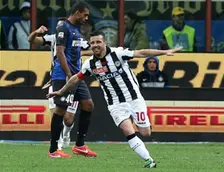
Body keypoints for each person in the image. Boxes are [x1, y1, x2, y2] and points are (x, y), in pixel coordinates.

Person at [47, 30, 182, 167]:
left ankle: (142, 133)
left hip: (134, 99)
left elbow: (141, 52)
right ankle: (149, 161)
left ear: (105, 42)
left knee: (145, 132)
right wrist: (60, 91)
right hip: (115, 103)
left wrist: (164, 52)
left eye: (98, 42)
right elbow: (76, 78)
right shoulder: (89, 64)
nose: (95, 45)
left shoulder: (118, 53)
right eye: (92, 43)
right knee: (127, 130)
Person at [48, 1, 97, 158]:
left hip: (76, 76)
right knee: (61, 110)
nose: (86, 18)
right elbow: (60, 52)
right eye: (85, 14)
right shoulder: (63, 27)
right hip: (64, 76)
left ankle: (80, 145)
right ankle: (53, 150)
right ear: (77, 12)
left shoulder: (76, 30)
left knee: (88, 105)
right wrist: (69, 74)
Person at [28, 18, 83, 150]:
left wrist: (80, 52)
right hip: (57, 79)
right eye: (58, 25)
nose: (61, 28)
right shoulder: (53, 38)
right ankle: (56, 143)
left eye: (63, 25)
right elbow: (32, 40)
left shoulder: (76, 38)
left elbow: (92, 49)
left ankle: (66, 135)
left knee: (68, 119)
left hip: (73, 80)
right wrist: (37, 32)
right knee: (56, 113)